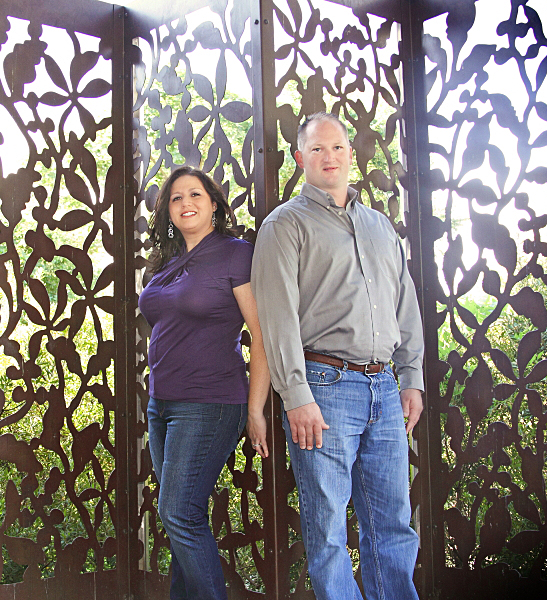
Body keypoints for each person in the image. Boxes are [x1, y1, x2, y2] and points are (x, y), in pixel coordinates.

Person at [251, 112, 424, 600]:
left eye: (338, 147)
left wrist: (411, 378)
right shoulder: (284, 225)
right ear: (300, 157)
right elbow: (277, 318)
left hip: (385, 389)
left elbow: (405, 305)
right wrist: (296, 395)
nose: (329, 156)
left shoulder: (380, 227)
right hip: (323, 390)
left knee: (393, 523)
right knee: (328, 530)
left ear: (351, 154)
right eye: (318, 148)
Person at [139, 165, 271, 600]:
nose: (186, 203)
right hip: (162, 404)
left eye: (195, 194)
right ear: (167, 211)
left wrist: (255, 409)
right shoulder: (166, 261)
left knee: (178, 513)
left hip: (209, 403)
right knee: (182, 517)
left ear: (213, 204)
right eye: (176, 198)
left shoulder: (235, 254)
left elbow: (260, 335)